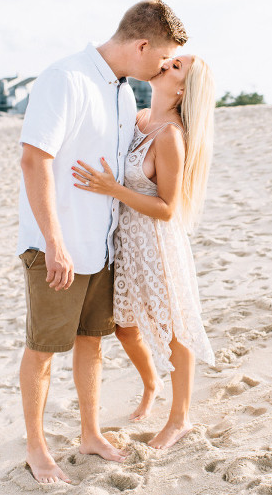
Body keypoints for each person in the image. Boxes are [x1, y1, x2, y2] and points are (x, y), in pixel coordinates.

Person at [17, 0, 187, 484]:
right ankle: (37, 448)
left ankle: (89, 434)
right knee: (43, 348)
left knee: (91, 344)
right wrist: (54, 241)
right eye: (163, 58)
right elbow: (34, 161)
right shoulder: (65, 78)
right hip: (56, 246)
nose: (162, 67)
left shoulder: (125, 96)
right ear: (141, 45)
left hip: (103, 246)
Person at [71, 53, 217, 450]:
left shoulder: (170, 135)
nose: (166, 63)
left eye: (176, 67)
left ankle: (180, 419)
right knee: (123, 325)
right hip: (126, 240)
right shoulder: (139, 120)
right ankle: (152, 383)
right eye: (169, 59)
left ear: (183, 88)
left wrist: (112, 190)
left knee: (174, 330)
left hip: (155, 245)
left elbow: (168, 208)